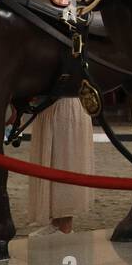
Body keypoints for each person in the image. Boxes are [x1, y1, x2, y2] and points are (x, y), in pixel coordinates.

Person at [27, 97, 94, 235]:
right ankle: (56, 223)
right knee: (52, 163)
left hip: (65, 106)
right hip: (49, 106)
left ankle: (65, 227)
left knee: (64, 163)